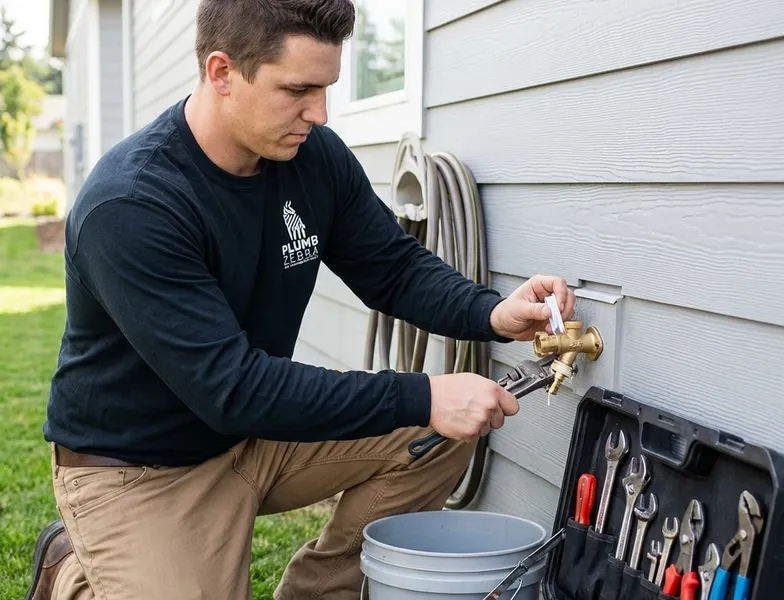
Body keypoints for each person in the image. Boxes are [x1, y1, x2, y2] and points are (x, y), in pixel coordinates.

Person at [23, 1, 576, 599]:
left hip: (256, 433)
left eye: (327, 88)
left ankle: (320, 592)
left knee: (436, 435)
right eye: (297, 90)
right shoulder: (133, 204)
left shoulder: (312, 156)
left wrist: (490, 312)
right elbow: (232, 389)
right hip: (142, 467)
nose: (319, 113)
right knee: (426, 405)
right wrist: (424, 393)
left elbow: (391, 267)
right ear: (221, 72)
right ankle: (71, 572)